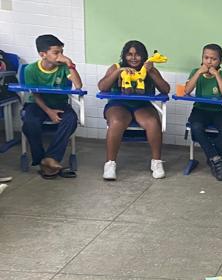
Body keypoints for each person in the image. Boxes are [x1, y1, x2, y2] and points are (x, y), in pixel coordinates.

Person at [97, 40, 170, 181]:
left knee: (153, 122)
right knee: (117, 121)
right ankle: (110, 164)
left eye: (137, 55)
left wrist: (152, 72)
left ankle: (156, 163)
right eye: (129, 54)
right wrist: (118, 72)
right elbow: (102, 87)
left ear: (144, 56)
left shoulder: (149, 69)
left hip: (142, 105)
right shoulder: (116, 67)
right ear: (124, 56)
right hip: (118, 104)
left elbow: (165, 89)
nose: (133, 58)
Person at [21, 34, 82, 179]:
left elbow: (78, 86)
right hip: (37, 104)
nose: (60, 56)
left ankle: (51, 158)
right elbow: (35, 95)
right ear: (43, 54)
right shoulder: (30, 69)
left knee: (71, 119)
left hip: (59, 103)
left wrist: (70, 64)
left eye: (61, 52)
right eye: (56, 53)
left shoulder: (63, 67)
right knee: (30, 122)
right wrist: (49, 112)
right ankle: (41, 159)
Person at [183, 43, 222, 181]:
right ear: (202, 58)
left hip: (220, 111)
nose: (209, 61)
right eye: (206, 58)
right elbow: (187, 91)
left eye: (213, 59)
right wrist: (199, 72)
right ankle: (217, 159)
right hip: (200, 109)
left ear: (220, 61)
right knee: (196, 127)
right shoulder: (195, 72)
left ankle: (213, 158)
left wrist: (217, 75)